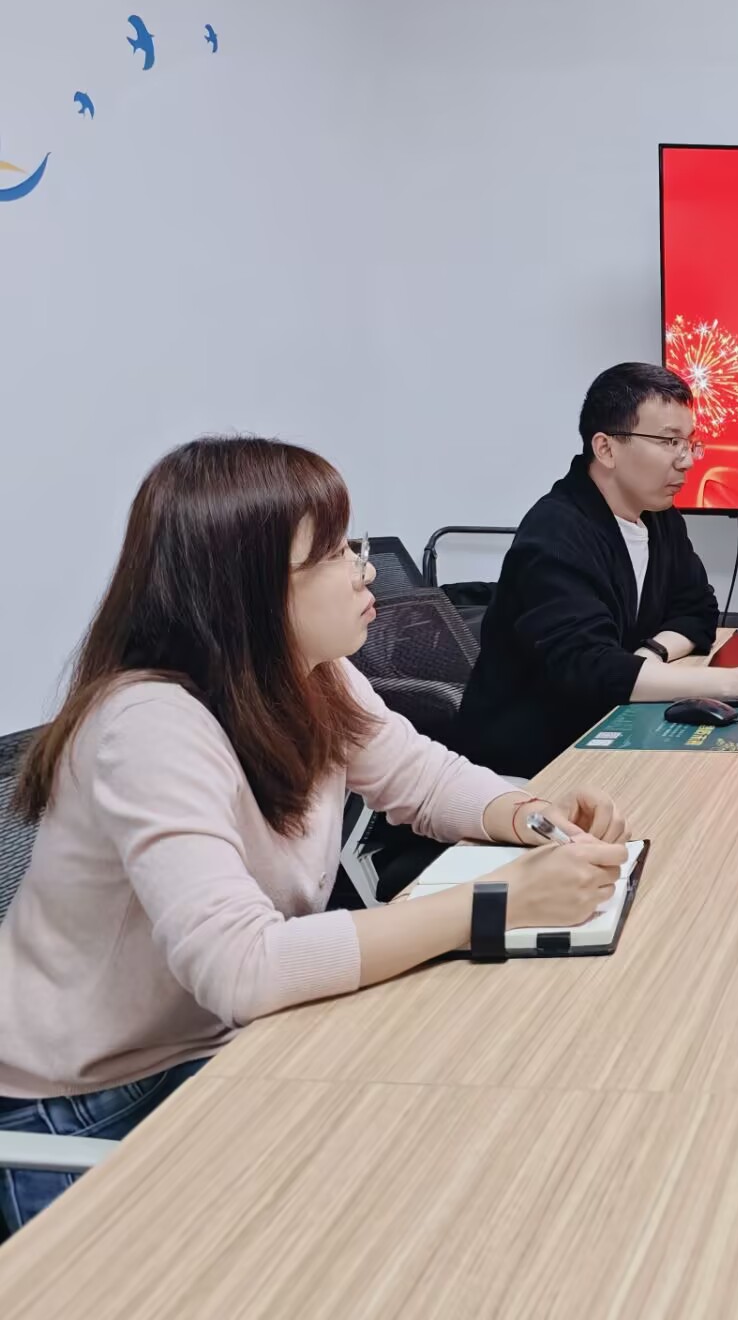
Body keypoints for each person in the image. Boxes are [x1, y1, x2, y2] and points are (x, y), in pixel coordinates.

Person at [0, 438, 632, 1231]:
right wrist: (496, 905)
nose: (365, 570)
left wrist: (533, 816)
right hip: (89, 1107)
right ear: (246, 589)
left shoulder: (311, 674)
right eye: (334, 554)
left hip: (228, 1045)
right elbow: (241, 966)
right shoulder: (150, 724)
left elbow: (423, 779)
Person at [458, 363, 738, 777]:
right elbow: (589, 669)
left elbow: (697, 610)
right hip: (537, 765)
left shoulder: (658, 516)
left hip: (610, 731)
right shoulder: (555, 533)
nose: (686, 461)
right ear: (606, 449)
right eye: (669, 441)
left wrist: (648, 656)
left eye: (690, 443)